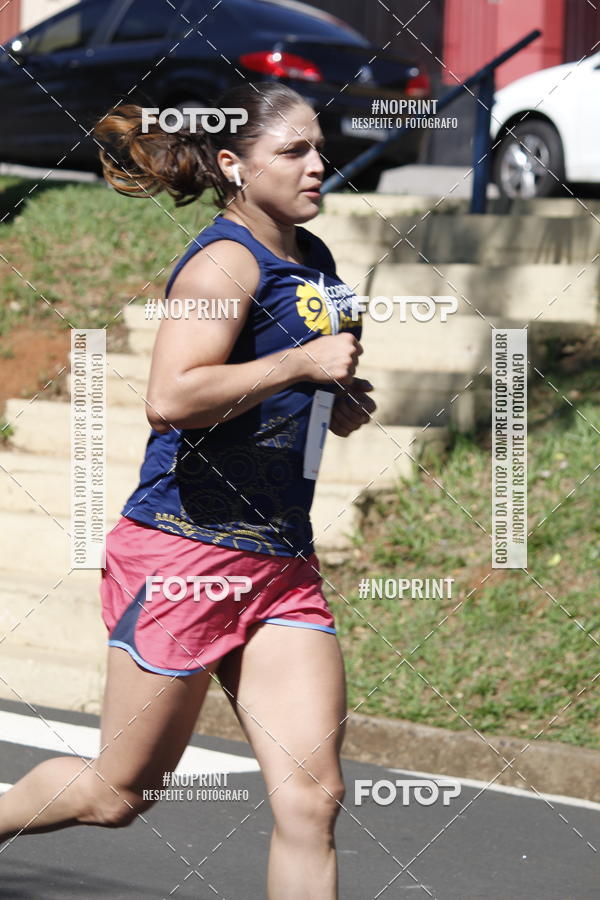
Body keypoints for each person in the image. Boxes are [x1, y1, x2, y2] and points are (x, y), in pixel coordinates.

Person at [0, 83, 376, 899]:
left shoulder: (316, 261)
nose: (319, 165)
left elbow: (286, 386)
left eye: (320, 149)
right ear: (236, 164)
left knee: (313, 800)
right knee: (118, 793)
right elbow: (171, 396)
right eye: (295, 152)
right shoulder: (223, 258)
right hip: (186, 552)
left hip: (279, 561)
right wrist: (298, 365)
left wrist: (334, 401)